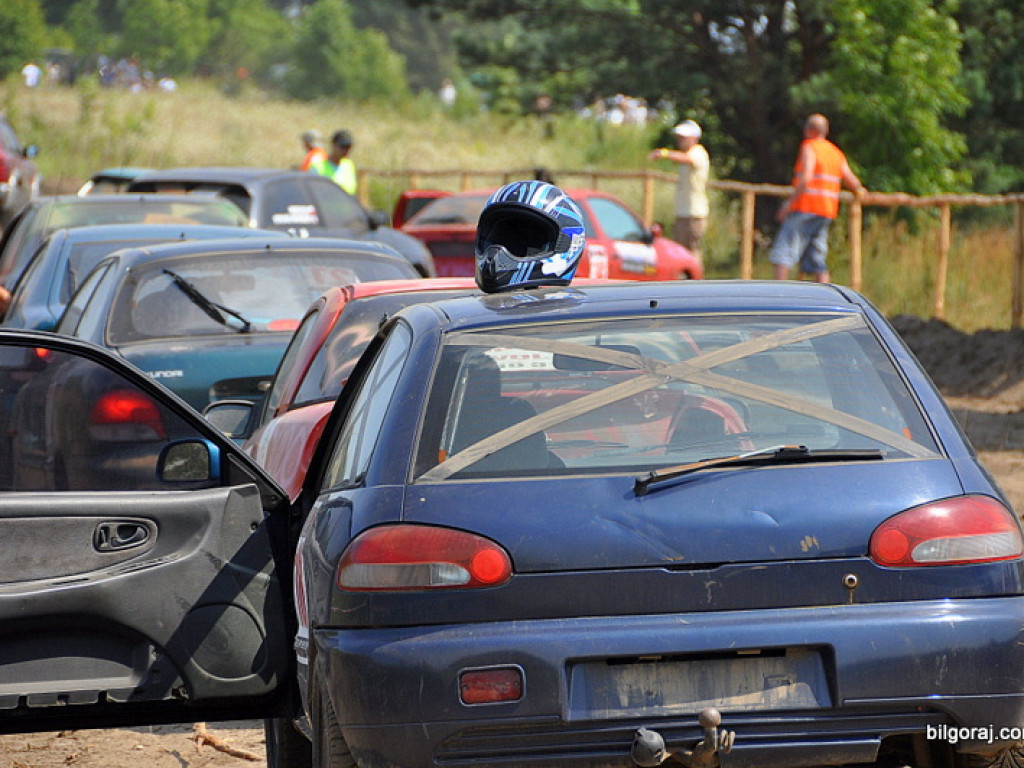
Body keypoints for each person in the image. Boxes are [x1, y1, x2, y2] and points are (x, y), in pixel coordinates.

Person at [770, 113, 865, 283]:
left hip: (806, 207)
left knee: (784, 253)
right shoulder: (835, 152)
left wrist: (788, 205)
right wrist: (861, 192)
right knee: (817, 258)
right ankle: (824, 293)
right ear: (825, 131)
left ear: (809, 130)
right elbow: (852, 181)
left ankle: (779, 293)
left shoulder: (809, 147)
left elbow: (806, 178)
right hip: (826, 210)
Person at [648, 119, 710, 262]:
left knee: (692, 251)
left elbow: (687, 159)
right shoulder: (687, 154)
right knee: (681, 251)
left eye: (684, 137)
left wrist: (664, 153)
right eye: (679, 137)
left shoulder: (698, 152)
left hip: (695, 213)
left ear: (694, 138)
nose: (680, 140)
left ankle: (695, 276)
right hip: (683, 212)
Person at [321, 129, 357, 196]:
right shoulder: (318, 167)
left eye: (348, 147)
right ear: (333, 145)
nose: (345, 150)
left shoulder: (349, 165)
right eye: (342, 147)